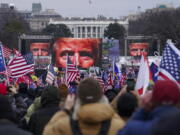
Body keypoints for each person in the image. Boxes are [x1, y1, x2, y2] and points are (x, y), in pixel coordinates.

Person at [43, 78, 125, 135]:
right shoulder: (118, 126)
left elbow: (47, 132)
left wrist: (65, 110)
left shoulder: (64, 125)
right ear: (102, 98)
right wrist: (109, 109)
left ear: (78, 100)